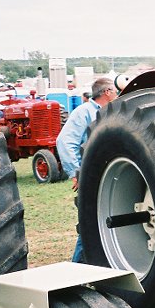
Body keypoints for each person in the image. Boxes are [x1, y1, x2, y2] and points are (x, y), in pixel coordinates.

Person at [56, 77, 118, 262]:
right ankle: (77, 269)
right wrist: (77, 173)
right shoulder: (84, 112)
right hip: (91, 176)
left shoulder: (111, 112)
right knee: (90, 224)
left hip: (109, 175)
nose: (117, 94)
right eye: (115, 91)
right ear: (106, 92)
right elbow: (65, 141)